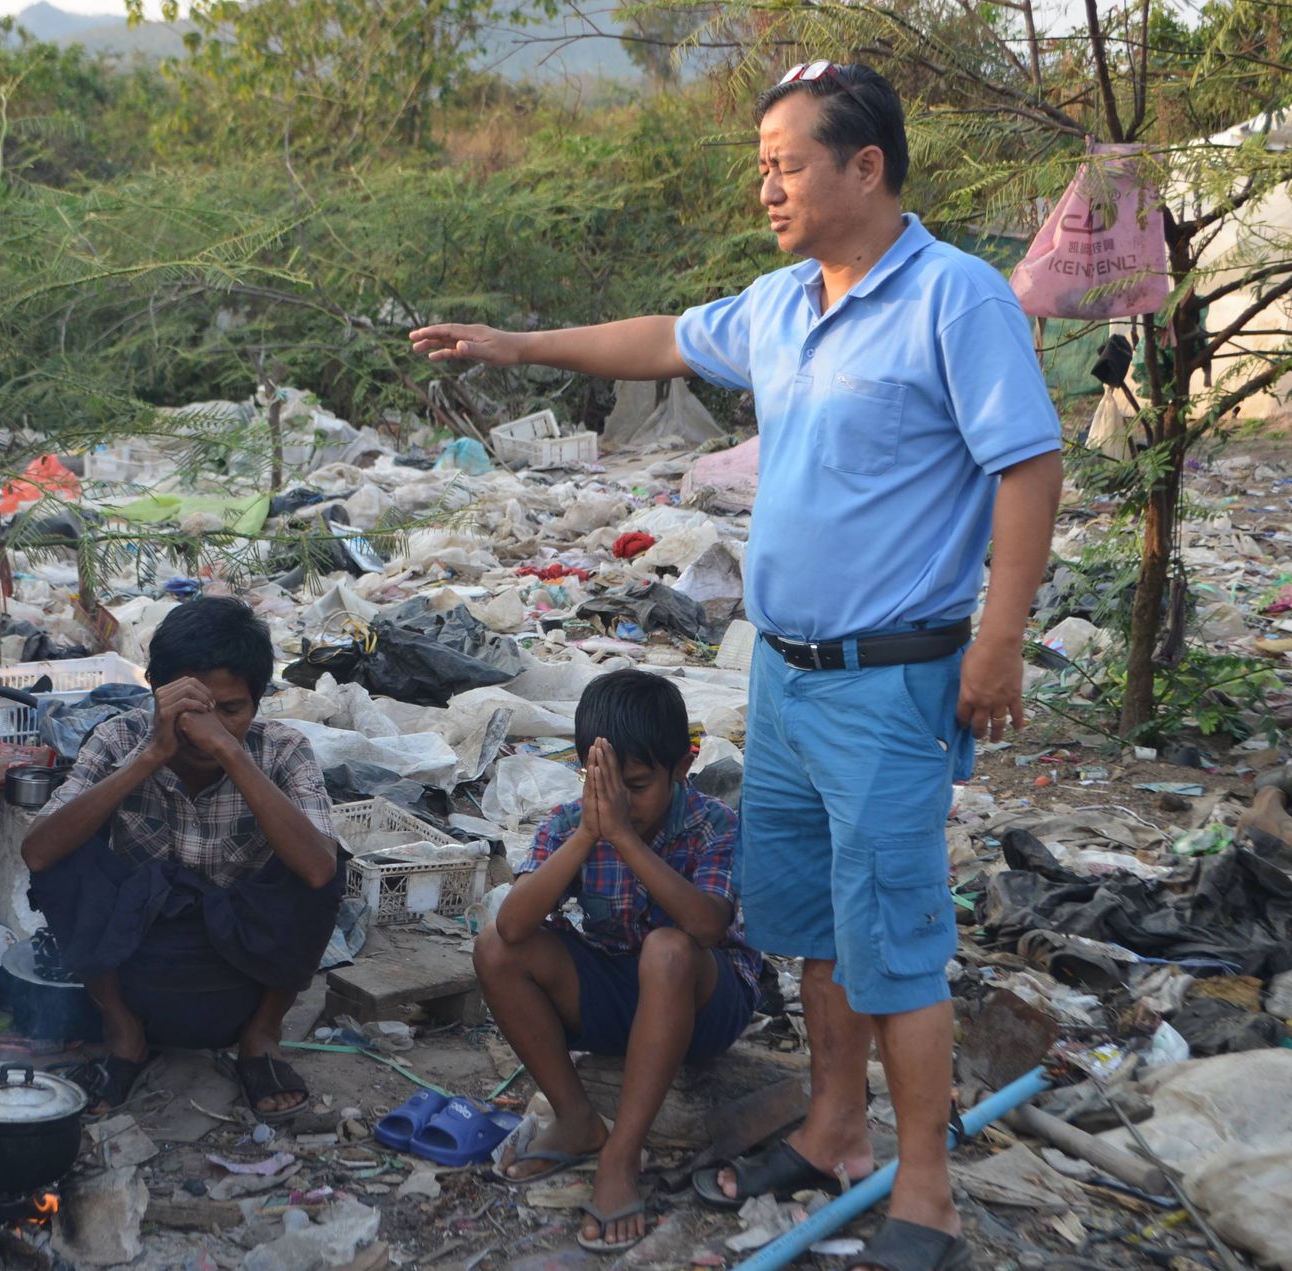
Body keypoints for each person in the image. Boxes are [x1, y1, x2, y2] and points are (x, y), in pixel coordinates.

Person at [414, 61, 1063, 1271]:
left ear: (864, 166)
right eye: (760, 164)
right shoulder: (781, 303)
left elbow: (1025, 465)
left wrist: (1001, 635)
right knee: (812, 925)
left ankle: (925, 1188)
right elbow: (662, 338)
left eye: (787, 163)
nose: (766, 185)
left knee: (898, 941)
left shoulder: (953, 298)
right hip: (787, 676)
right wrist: (514, 341)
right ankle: (832, 1123)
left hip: (891, 678)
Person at [20, 597, 344, 1122]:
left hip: (245, 944)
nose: (206, 728)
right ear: (157, 692)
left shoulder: (283, 749)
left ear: (257, 705)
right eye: (193, 708)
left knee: (325, 861)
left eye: (231, 709)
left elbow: (318, 871)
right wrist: (151, 755)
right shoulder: (119, 737)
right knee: (63, 856)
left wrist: (231, 753)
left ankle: (261, 1038)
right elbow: (38, 853)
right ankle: (123, 1033)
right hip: (141, 941)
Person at [474, 670, 760, 1254]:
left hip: (703, 1002)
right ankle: (577, 1119)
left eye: (637, 784)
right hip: (618, 995)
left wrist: (625, 839)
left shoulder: (714, 824)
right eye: (605, 782)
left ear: (682, 766)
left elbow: (706, 925)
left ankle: (620, 1160)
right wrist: (586, 835)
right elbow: (512, 926)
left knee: (670, 948)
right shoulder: (571, 821)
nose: (619, 800)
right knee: (494, 948)